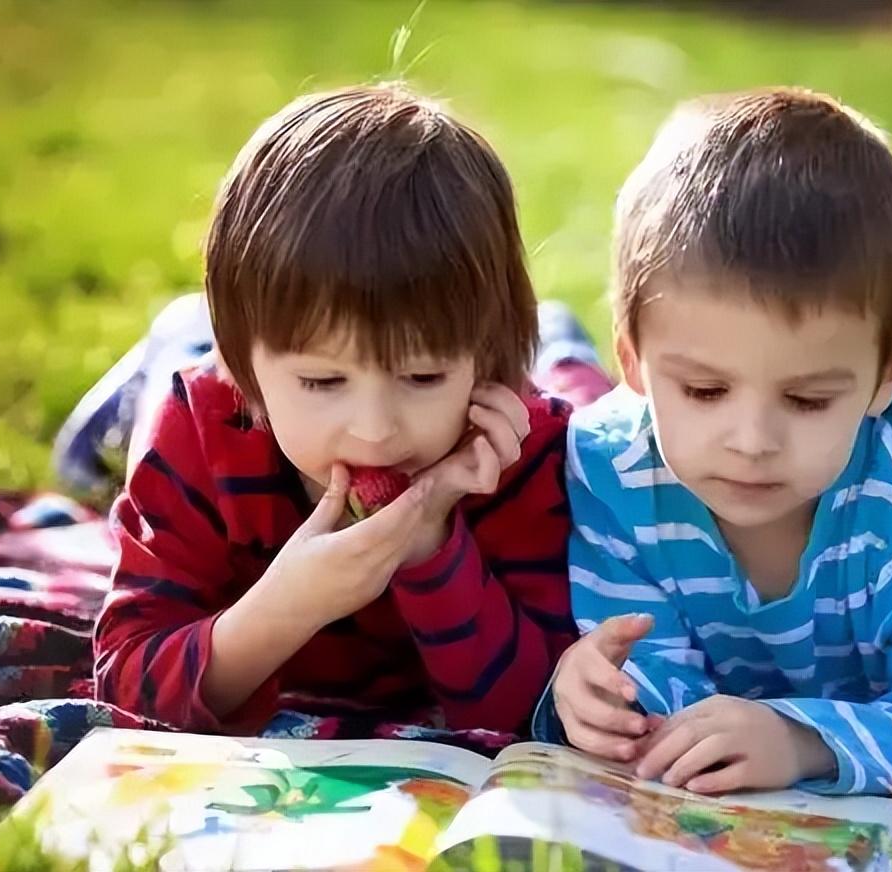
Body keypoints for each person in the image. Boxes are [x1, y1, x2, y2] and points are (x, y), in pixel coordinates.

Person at [540, 87, 892, 797]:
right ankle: (555, 341)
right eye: (705, 391)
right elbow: (652, 665)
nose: (752, 441)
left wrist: (801, 741)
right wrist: (605, 694)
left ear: (886, 374)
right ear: (633, 364)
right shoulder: (607, 467)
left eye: (807, 399)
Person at [91, 82, 578, 735]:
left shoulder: (516, 450)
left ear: (484, 361)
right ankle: (182, 329)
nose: (375, 432)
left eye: (424, 375)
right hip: (200, 352)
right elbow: (124, 684)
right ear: (246, 368)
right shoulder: (199, 428)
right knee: (162, 368)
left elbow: (531, 711)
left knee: (576, 380)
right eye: (323, 381)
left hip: (540, 380)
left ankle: (560, 338)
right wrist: (286, 606)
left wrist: (432, 541)